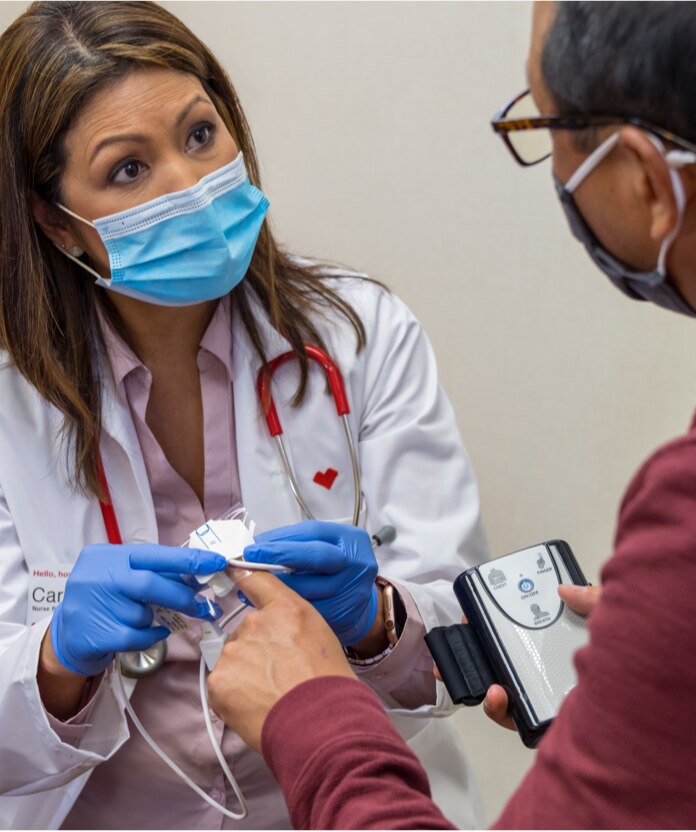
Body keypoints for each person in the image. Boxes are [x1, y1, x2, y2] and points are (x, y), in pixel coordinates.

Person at [0, 2, 490, 829]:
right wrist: (53, 662)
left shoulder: (360, 337)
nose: (190, 185)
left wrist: (378, 620)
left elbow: (459, 637)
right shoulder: (12, 400)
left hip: (344, 809)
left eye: (199, 135)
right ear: (56, 222)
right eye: (128, 169)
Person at [206, 2, 696, 828]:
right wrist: (651, 683)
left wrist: (319, 715)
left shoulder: (358, 329)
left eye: (543, 127)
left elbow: (436, 588)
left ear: (648, 178)